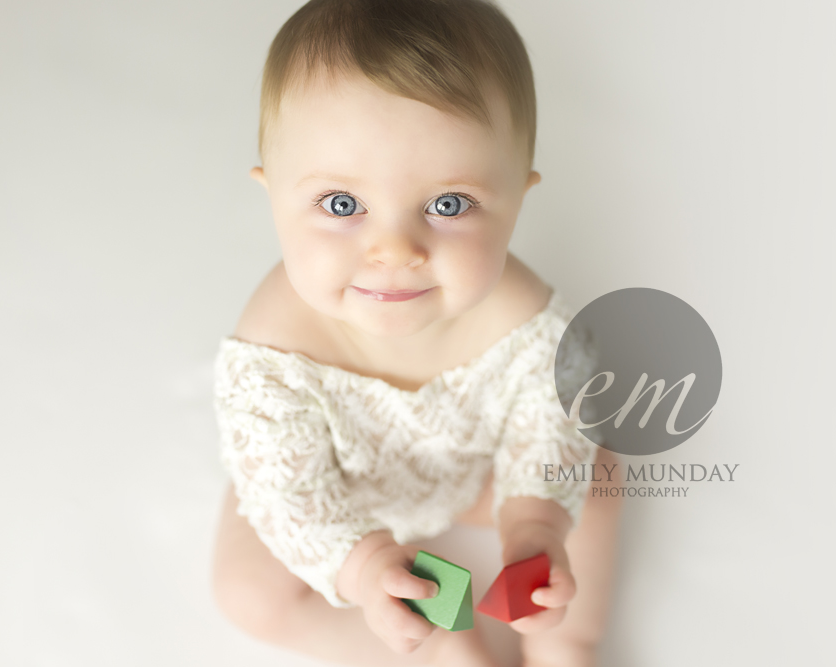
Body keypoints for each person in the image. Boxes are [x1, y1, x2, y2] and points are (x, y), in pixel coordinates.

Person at [210, 1, 622, 665]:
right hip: (337, 487)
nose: (395, 249)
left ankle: (563, 640)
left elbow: (546, 422)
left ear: (518, 197)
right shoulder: (272, 351)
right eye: (342, 205)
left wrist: (534, 523)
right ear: (273, 194)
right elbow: (288, 496)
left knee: (595, 472)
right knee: (248, 591)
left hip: (473, 471)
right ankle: (437, 647)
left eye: (448, 204)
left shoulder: (528, 319)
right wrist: (367, 567)